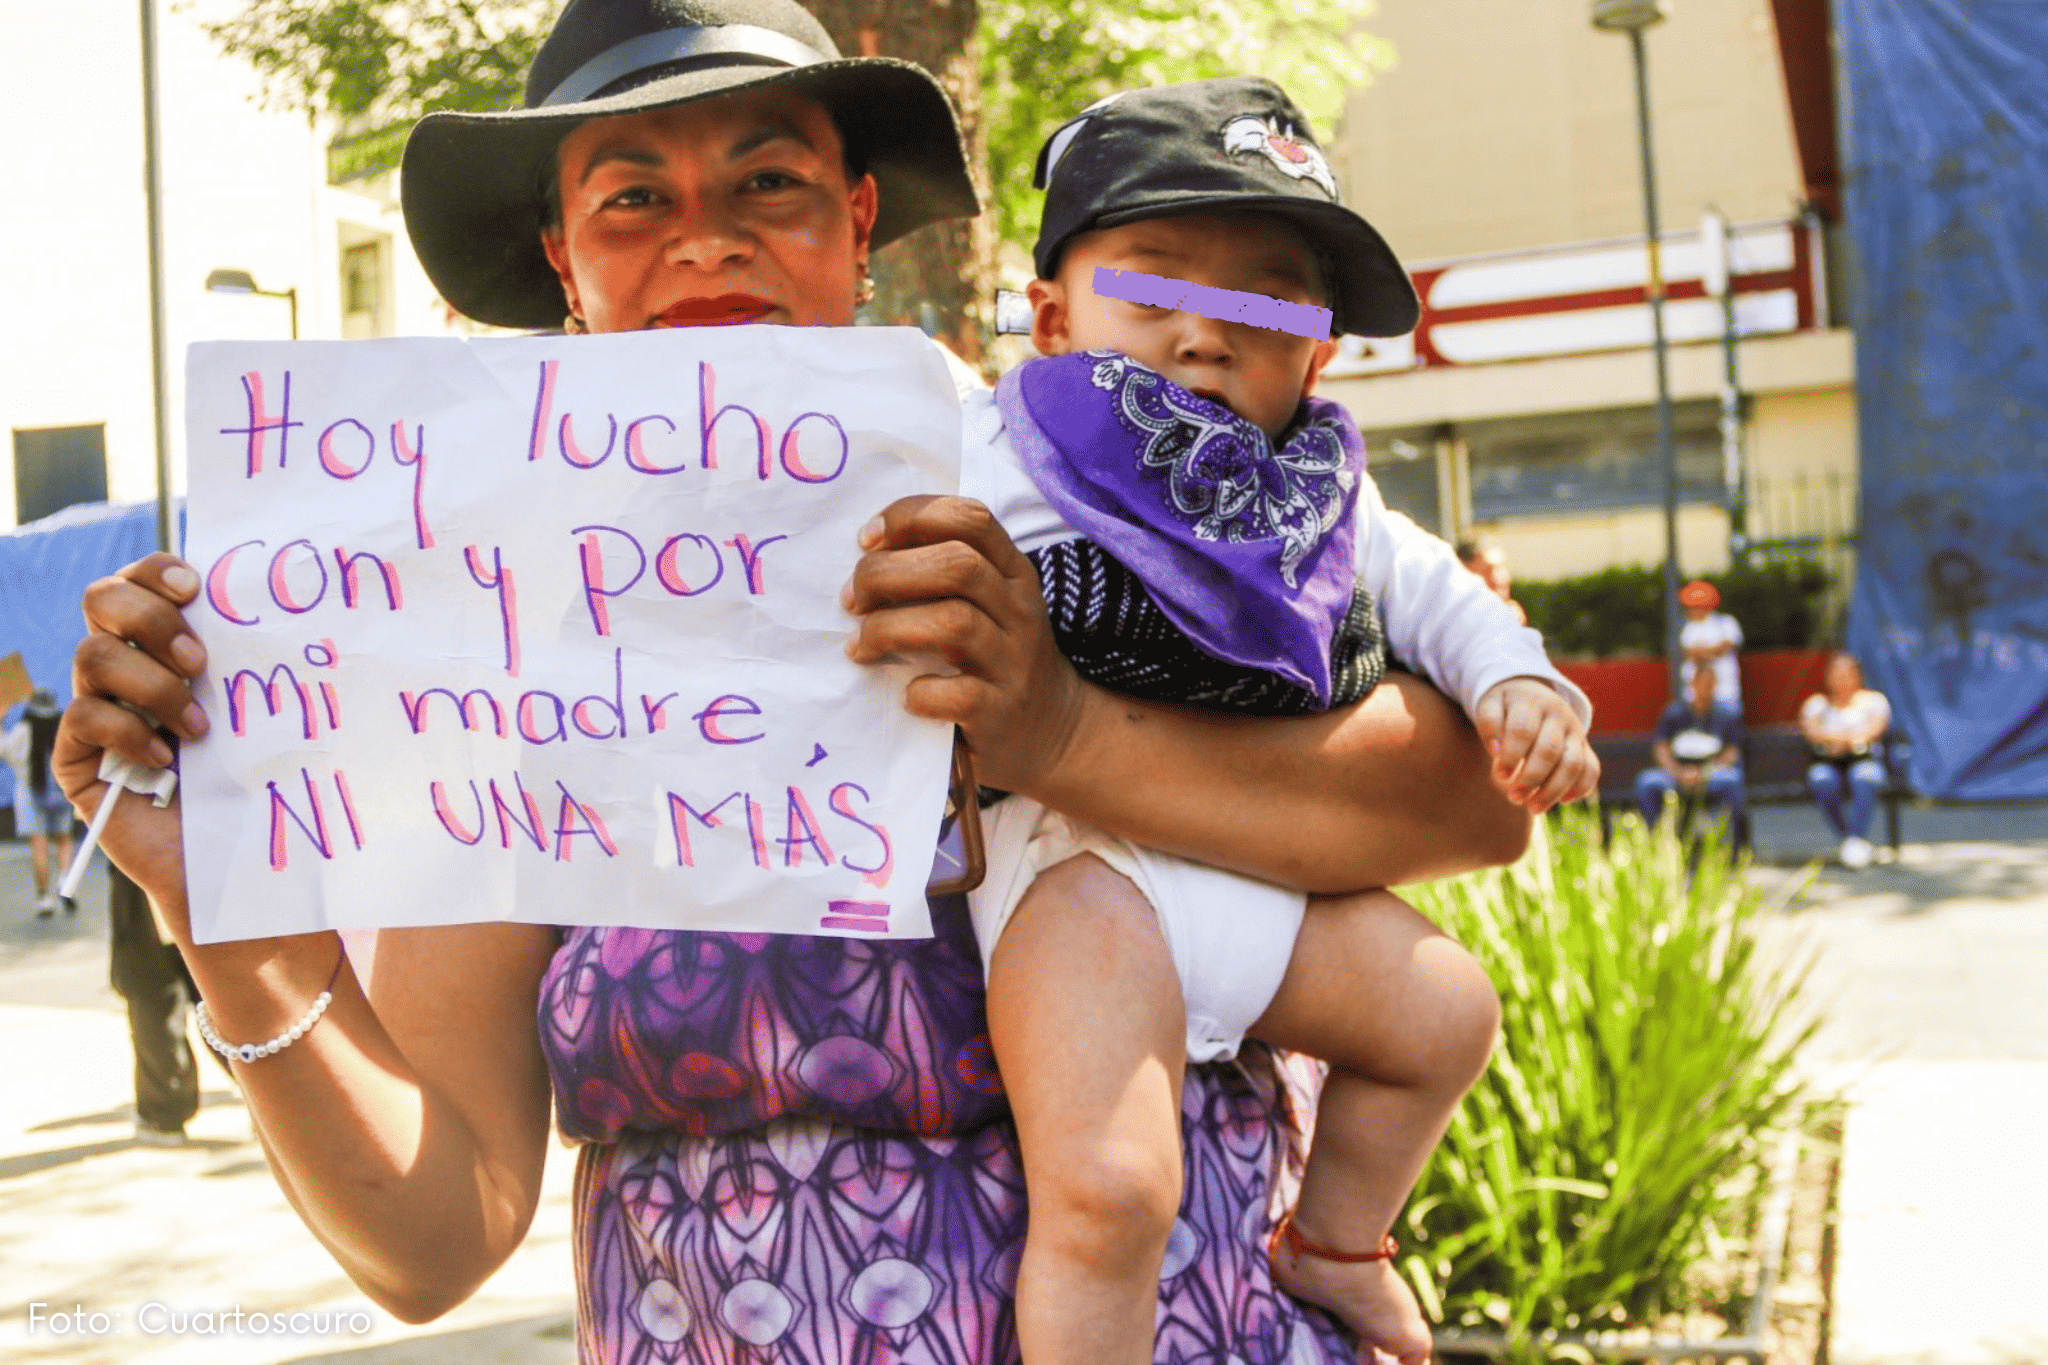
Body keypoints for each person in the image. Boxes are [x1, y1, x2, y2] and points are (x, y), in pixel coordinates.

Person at [57, 4, 1546, 1362]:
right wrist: (219, 909)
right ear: (566, 259)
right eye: (635, 196)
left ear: (853, 219)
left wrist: (1065, 728)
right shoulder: (489, 644)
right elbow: (436, 1239)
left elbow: (1474, 801)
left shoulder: (1059, 477)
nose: (705, 238)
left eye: (766, 181)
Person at [968, 79, 1596, 1365]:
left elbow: (1441, 601)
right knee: (1111, 1184)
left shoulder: (1321, 500)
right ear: (1050, 320)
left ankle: (1336, 1241)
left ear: (1314, 349)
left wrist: (1520, 688)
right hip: (1074, 877)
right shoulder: (993, 453)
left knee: (1448, 1017)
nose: (1204, 332)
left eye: (1260, 304)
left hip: (1256, 885)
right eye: (1148, 293)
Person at [109, 862, 204, 1145]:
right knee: (228, 992)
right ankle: (272, 1100)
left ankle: (165, 1113)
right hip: (216, 857)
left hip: (146, 862)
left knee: (153, 991)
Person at [1800, 651, 1892, 869]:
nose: (1842, 679)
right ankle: (1852, 839)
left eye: (1847, 673)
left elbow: (1875, 730)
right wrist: (1848, 738)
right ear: (1828, 677)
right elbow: (1811, 731)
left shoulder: (1874, 701)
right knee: (1820, 779)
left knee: (1866, 776)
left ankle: (1853, 841)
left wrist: (1838, 739)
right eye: (1836, 673)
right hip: (1828, 762)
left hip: (1863, 759)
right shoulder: (1817, 705)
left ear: (1858, 676)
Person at [1637, 662, 1746, 836]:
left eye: (1709, 684)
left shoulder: (1726, 715)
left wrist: (1705, 772)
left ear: (1715, 685)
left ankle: (1736, 848)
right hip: (1676, 774)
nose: (1705, 689)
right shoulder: (1674, 713)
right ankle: (1653, 842)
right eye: (1701, 684)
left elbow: (1732, 752)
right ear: (1692, 684)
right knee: (1648, 782)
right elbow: (1661, 750)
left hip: (1712, 773)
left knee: (1732, 780)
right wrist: (1679, 772)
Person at [3, 689, 76, 917]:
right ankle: (65, 881)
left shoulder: (23, 730)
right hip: (62, 791)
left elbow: (5, 750)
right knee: (64, 840)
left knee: (39, 845)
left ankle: (44, 898)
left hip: (31, 793)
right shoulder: (63, 729)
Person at [1678, 578, 1743, 705]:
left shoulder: (1726, 622)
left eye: (1691, 606)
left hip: (1725, 694)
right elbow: (1690, 653)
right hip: (1694, 699)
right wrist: (1712, 651)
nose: (1688, 610)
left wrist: (1702, 652)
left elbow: (1724, 648)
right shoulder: (1689, 628)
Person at [1456, 537, 1527, 625]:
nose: (1504, 576)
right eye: (1492, 568)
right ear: (1467, 571)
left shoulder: (1512, 613)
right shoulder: (1454, 621)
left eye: (1504, 568)